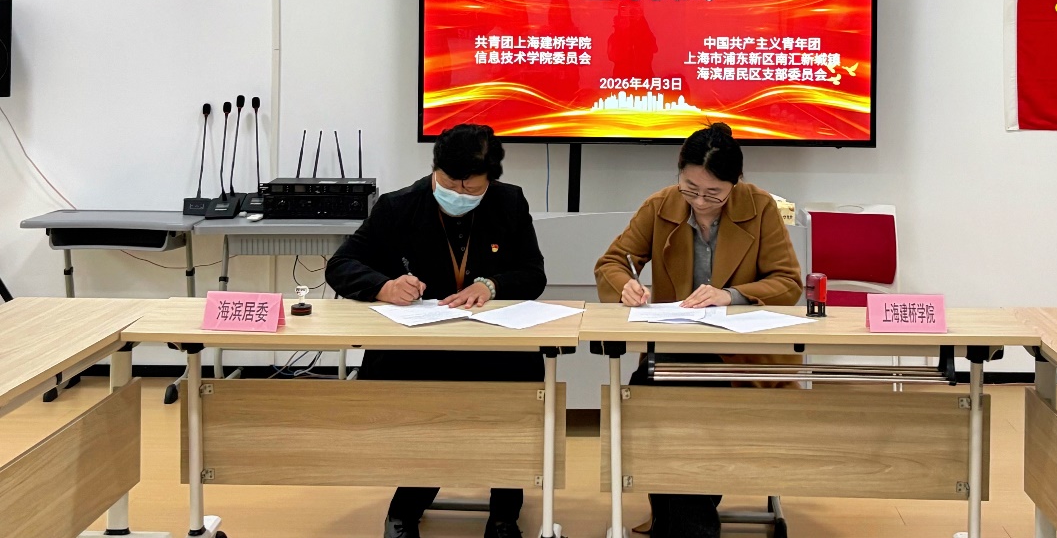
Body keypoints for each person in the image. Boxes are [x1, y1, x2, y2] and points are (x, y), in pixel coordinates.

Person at [326, 123, 546, 538]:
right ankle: (404, 509)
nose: (459, 194)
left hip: (495, 347)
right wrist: (384, 286)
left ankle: (504, 515)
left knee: (512, 410)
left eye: (471, 187)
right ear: (434, 170)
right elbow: (340, 265)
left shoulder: (509, 202)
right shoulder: (398, 207)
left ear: (490, 178)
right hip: (419, 348)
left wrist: (492, 285)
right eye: (449, 184)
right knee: (422, 422)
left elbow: (534, 273)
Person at [594, 122, 802, 538]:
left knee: (688, 409)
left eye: (713, 194)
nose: (701, 202)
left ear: (735, 183)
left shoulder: (760, 207)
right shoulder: (661, 205)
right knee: (643, 396)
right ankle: (688, 527)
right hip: (675, 349)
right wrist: (626, 285)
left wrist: (731, 295)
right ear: (679, 174)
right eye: (690, 189)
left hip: (743, 355)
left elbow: (788, 282)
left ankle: (684, 527)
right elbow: (612, 263)